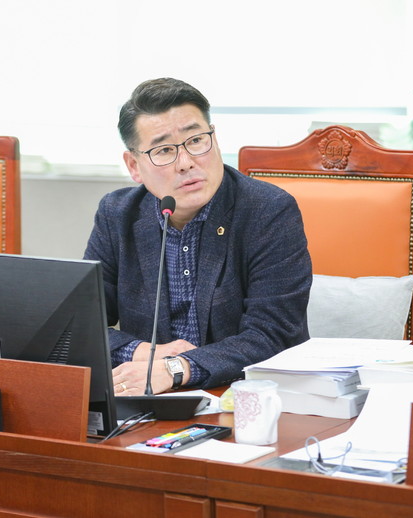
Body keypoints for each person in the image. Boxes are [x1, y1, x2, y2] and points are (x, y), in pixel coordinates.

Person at [84, 78, 312, 396]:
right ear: (134, 165)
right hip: (147, 397)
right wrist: (141, 353)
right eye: (164, 150)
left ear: (214, 138)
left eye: (196, 141)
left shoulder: (268, 210)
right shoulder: (118, 214)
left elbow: (273, 335)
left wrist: (177, 369)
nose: (186, 162)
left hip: (242, 396)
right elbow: (81, 324)